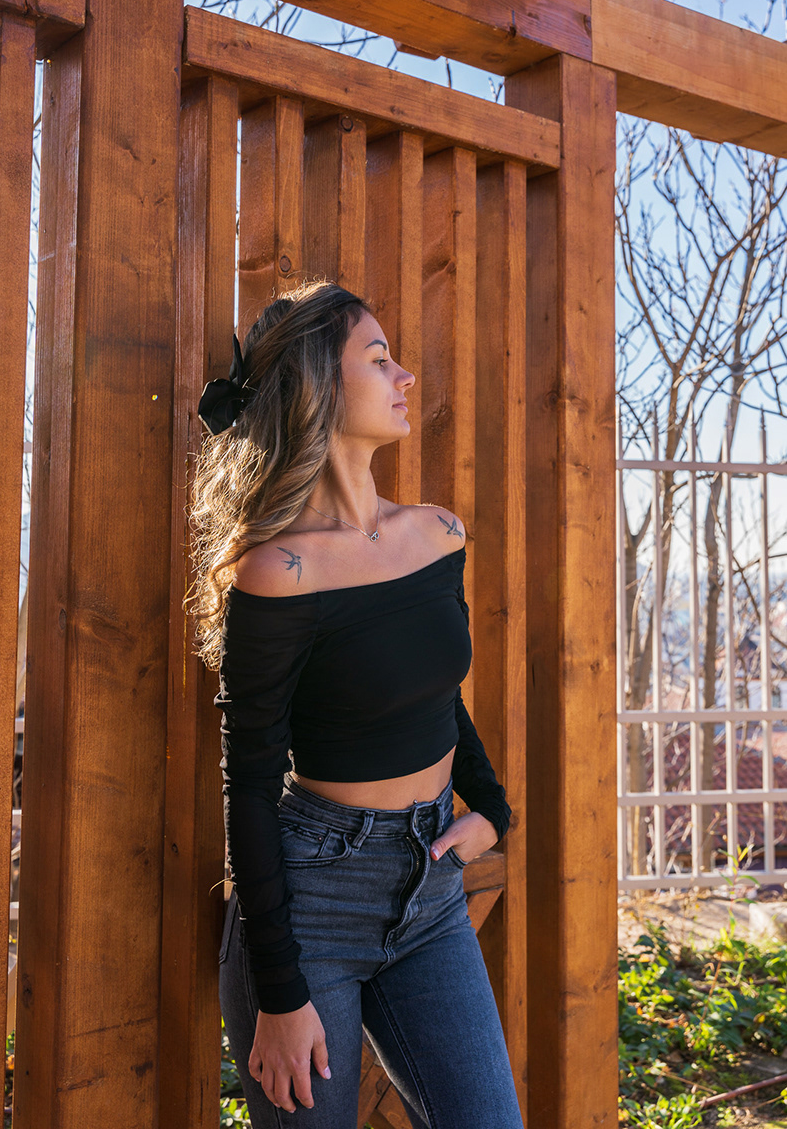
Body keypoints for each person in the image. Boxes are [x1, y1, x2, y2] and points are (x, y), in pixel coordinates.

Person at [188, 278, 523, 1129]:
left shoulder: (436, 534)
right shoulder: (278, 571)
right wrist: (280, 990)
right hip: (310, 904)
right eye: (379, 359)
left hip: (430, 890)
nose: (405, 376)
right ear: (318, 386)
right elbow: (250, 782)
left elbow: (436, 695)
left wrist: (490, 805)